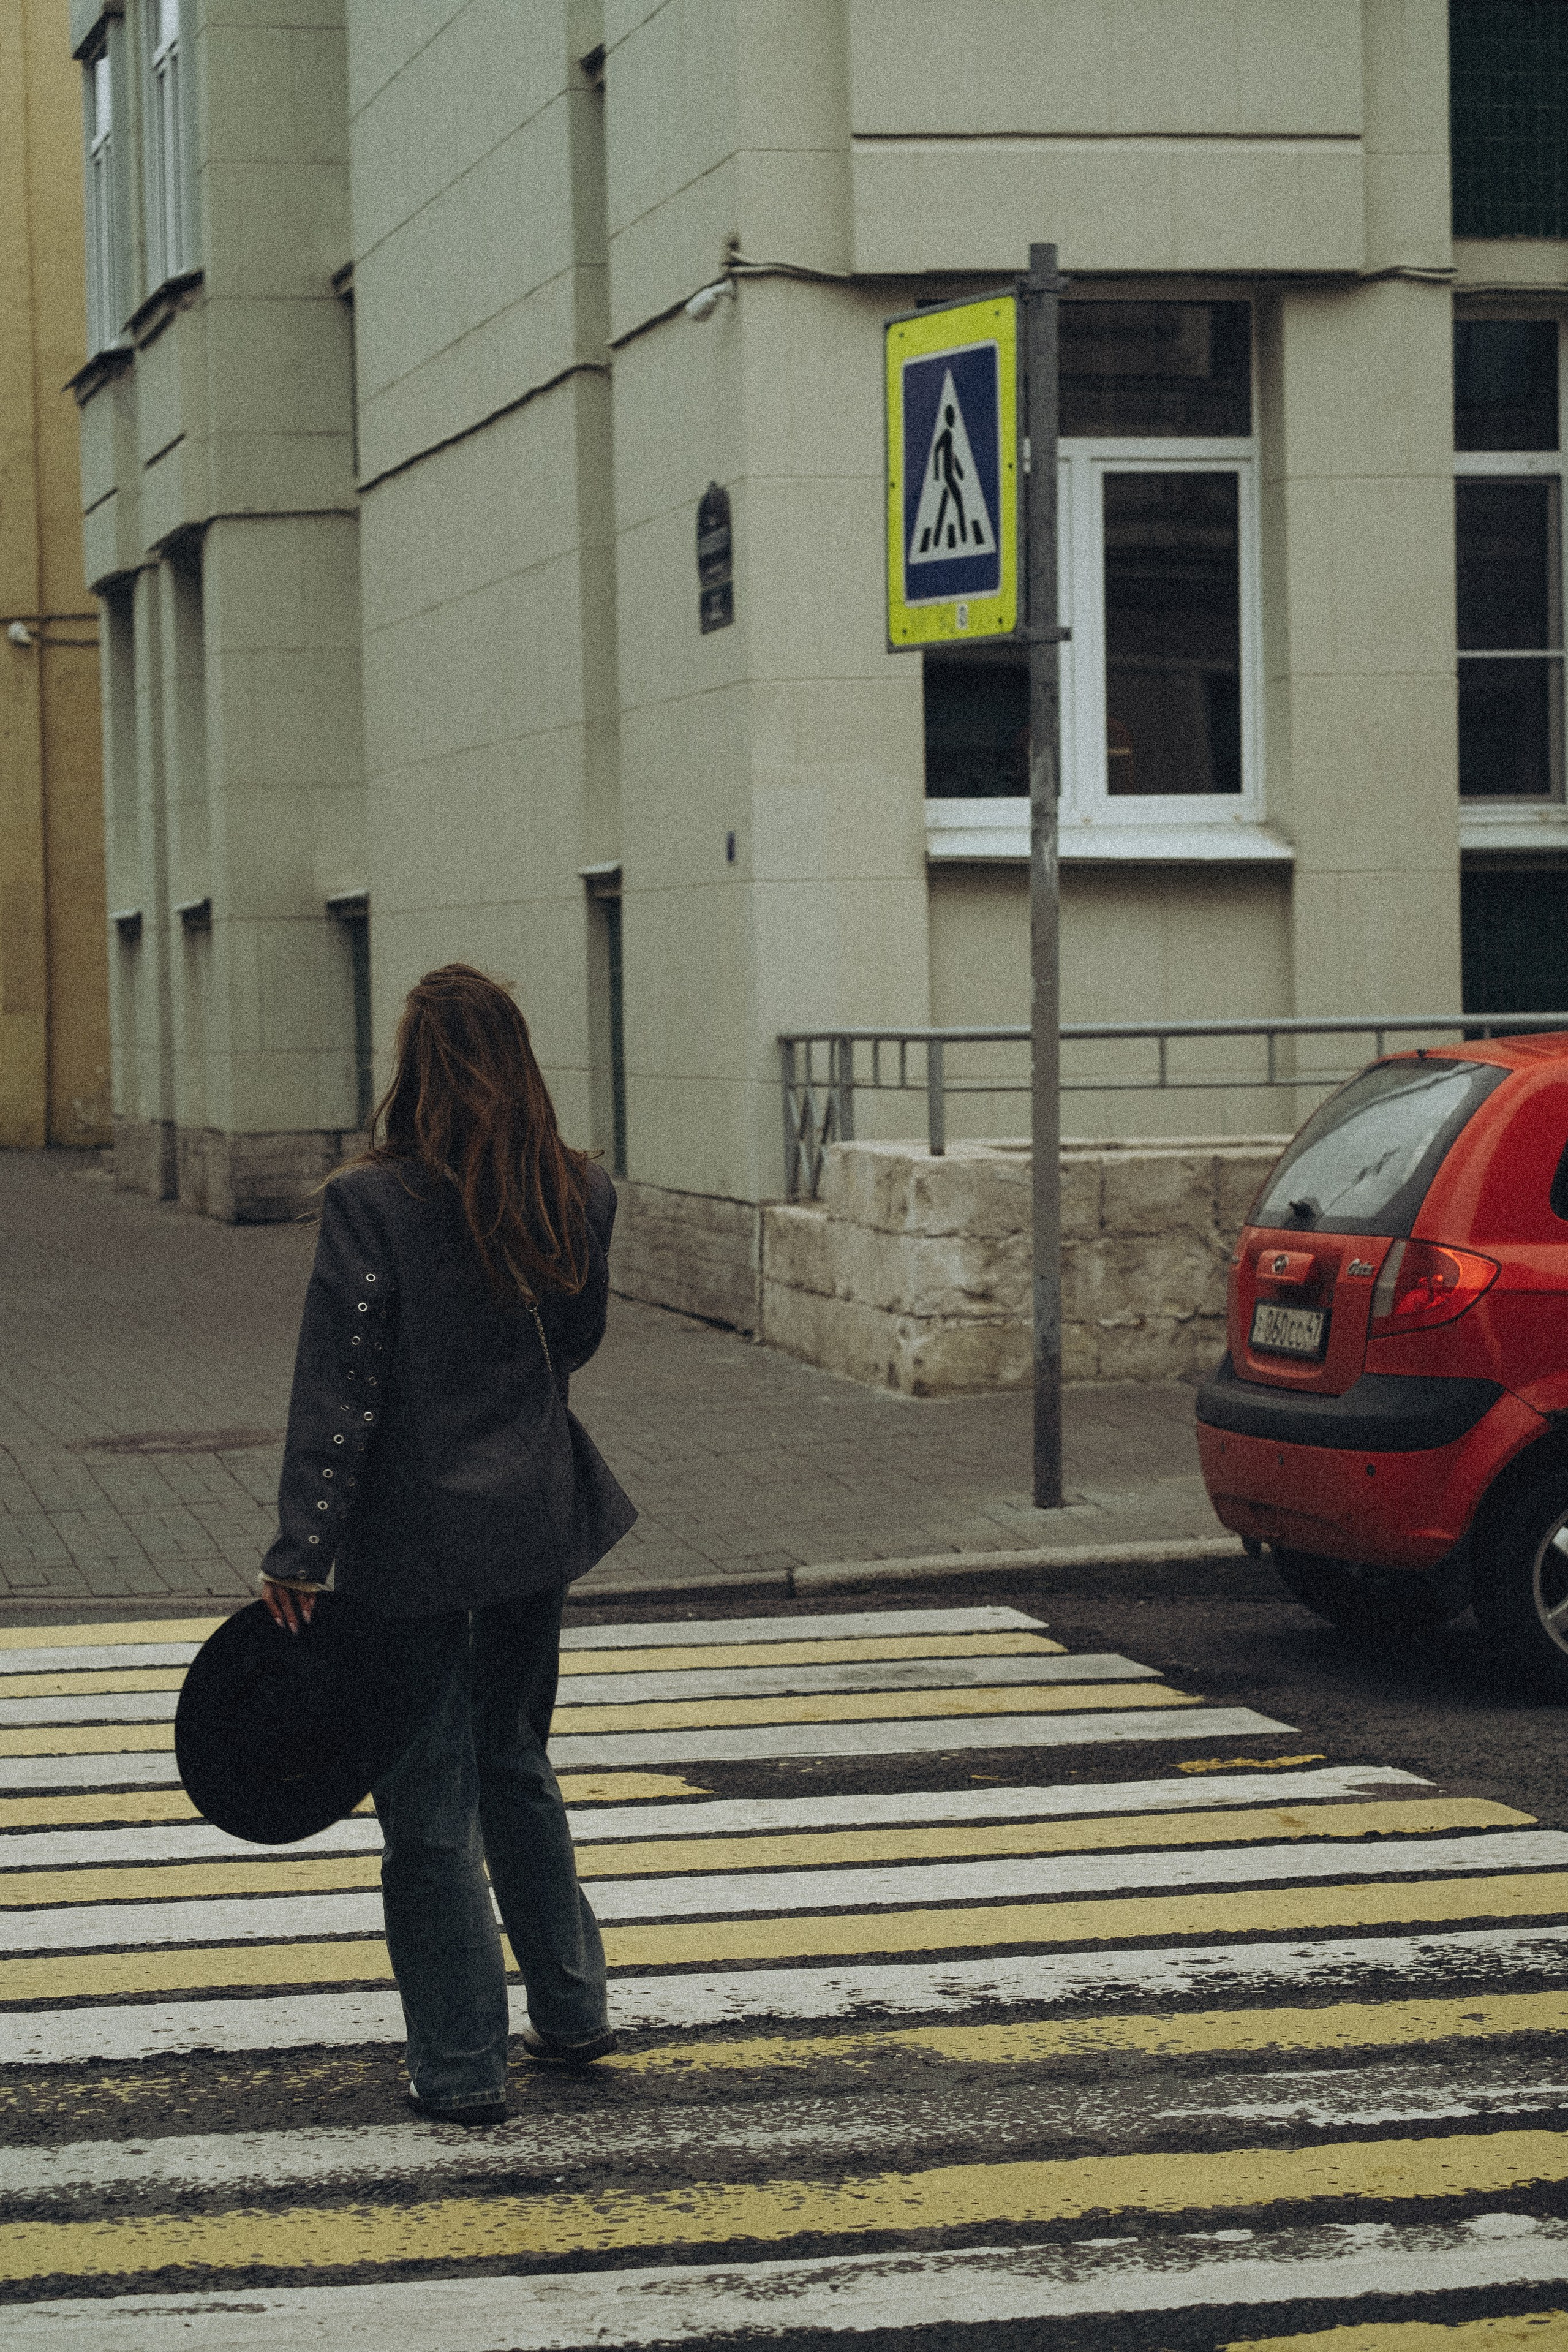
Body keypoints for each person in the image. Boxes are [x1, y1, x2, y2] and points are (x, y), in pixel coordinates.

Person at [258, 963, 636, 2123]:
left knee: (427, 1807)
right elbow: (572, 1345)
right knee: (515, 1757)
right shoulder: (576, 1191)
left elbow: (343, 1389)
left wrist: (299, 1548)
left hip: (413, 1548)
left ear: (415, 1070)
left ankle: (464, 2067)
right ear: (519, 1062)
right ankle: (571, 2011)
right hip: (533, 1526)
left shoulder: (373, 1203)